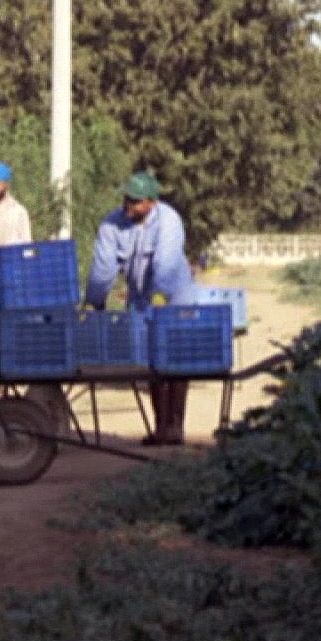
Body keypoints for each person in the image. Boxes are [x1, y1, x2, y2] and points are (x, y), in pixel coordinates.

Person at [84, 171, 196, 446]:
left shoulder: (168, 220)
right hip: (140, 303)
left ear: (151, 203)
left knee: (176, 364)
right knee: (151, 365)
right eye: (127, 200)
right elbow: (103, 267)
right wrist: (96, 300)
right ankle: (161, 428)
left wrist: (159, 300)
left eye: (135, 202)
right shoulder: (113, 224)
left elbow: (165, 263)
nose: (128, 207)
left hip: (174, 299)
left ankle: (176, 427)